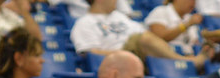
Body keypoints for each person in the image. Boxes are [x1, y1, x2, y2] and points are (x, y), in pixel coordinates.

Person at [69, 0, 208, 71]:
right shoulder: (84, 23)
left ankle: (181, 63)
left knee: (145, 37)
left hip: (139, 54)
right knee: (143, 39)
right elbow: (89, 53)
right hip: (115, 60)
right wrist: (121, 53)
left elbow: (143, 33)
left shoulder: (120, 16)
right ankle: (184, 62)